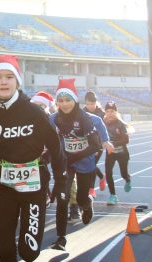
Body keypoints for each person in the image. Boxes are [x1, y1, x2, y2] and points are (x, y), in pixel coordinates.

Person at [0, 55, 65, 262]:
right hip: (4, 185)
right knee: (5, 249)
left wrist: (60, 178)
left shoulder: (34, 112)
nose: (4, 82)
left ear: (17, 81)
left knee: (29, 251)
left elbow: (55, 144)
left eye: (9, 77)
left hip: (34, 184)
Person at [50, 79, 102, 252]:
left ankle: (87, 203)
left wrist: (73, 157)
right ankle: (61, 238)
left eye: (68, 100)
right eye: (60, 100)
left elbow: (96, 146)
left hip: (85, 162)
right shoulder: (54, 118)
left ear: (75, 100)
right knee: (62, 199)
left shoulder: (84, 118)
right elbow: (48, 141)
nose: (64, 104)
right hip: (66, 163)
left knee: (80, 198)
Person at [102, 101, 131, 205]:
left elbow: (126, 140)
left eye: (112, 111)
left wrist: (112, 143)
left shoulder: (120, 124)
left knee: (123, 173)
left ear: (116, 112)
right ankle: (113, 195)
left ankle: (127, 179)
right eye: (107, 111)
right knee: (108, 173)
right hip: (110, 153)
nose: (110, 113)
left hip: (122, 153)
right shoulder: (103, 123)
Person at [83, 90, 111, 196]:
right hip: (86, 143)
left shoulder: (102, 114)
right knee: (88, 164)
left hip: (98, 144)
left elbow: (105, 129)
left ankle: (91, 189)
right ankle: (101, 176)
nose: (90, 106)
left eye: (92, 103)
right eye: (88, 104)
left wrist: (104, 142)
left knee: (91, 164)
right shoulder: (82, 112)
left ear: (96, 103)